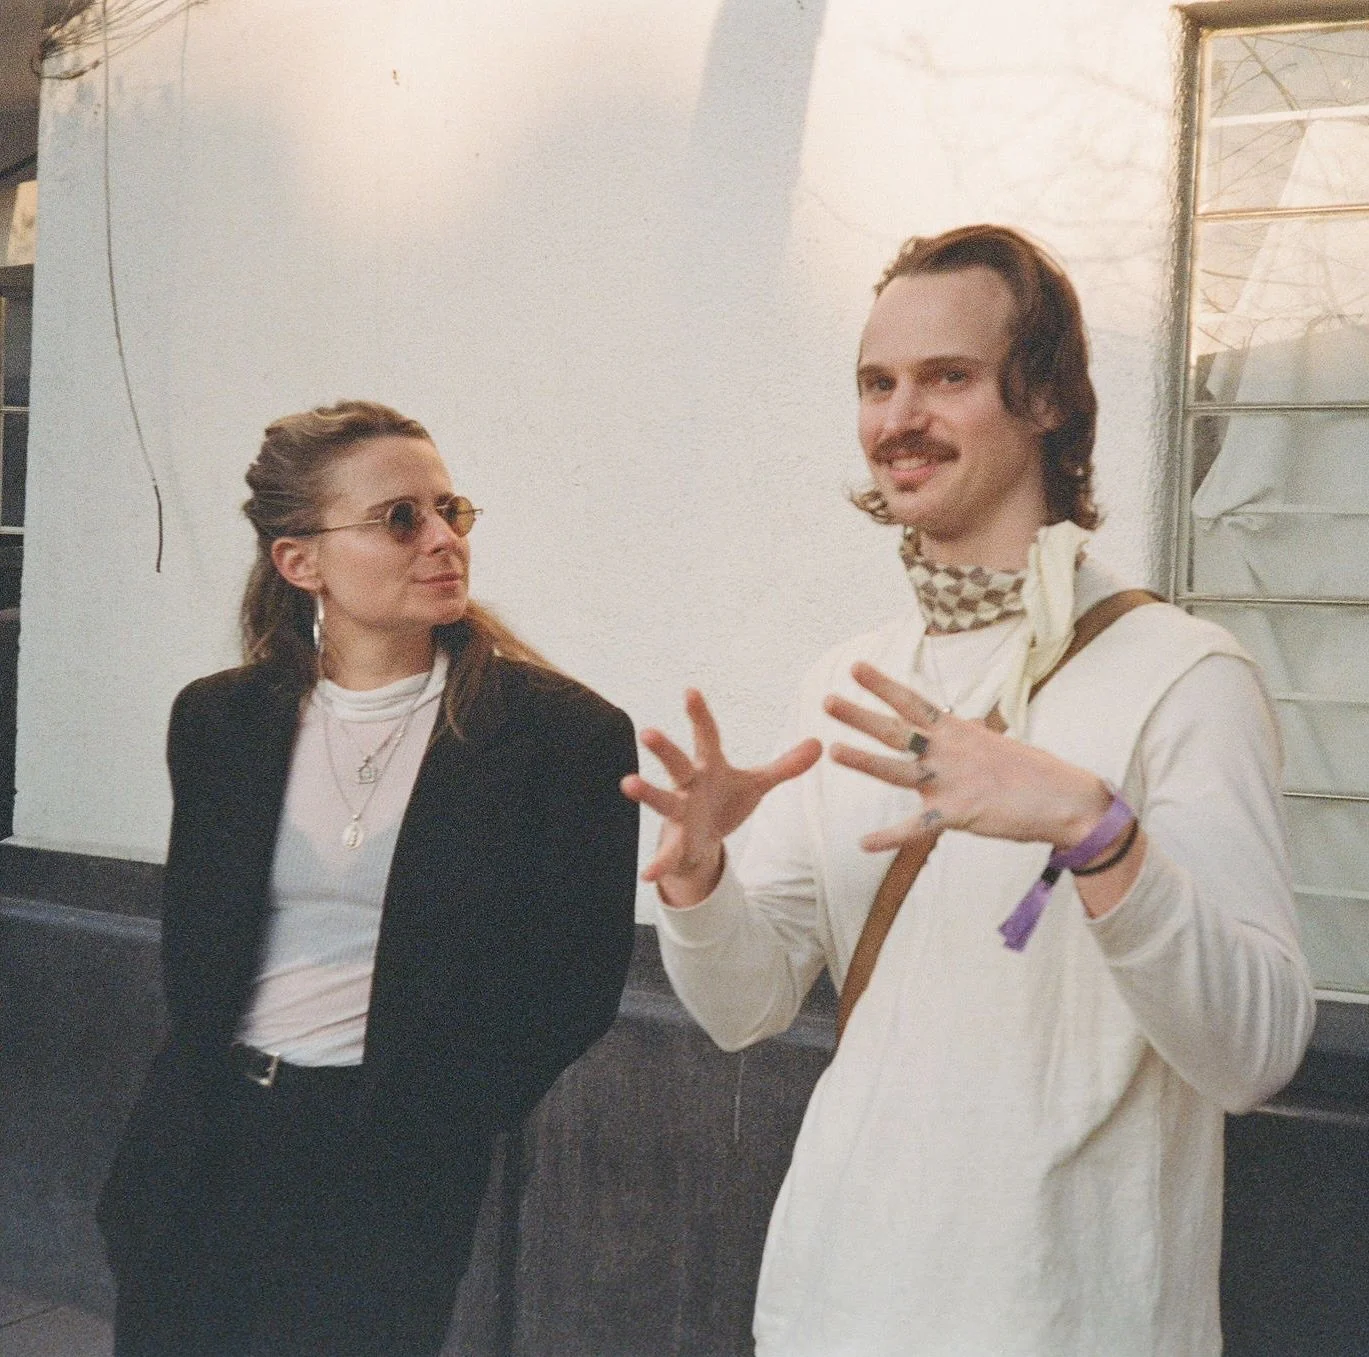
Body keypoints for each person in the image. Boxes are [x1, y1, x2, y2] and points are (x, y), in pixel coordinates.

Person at [623, 226, 1315, 1355]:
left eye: (948, 377)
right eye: (876, 383)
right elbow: (744, 1006)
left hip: (1064, 1314)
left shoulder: (1184, 675)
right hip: (837, 1299)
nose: (900, 417)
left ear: (1044, 398)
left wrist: (1098, 835)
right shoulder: (848, 682)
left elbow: (1252, 1049)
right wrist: (698, 880)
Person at [98, 400, 639, 1356]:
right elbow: (197, 952)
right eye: (399, 518)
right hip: (203, 1144)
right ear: (301, 562)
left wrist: (438, 1119)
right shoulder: (222, 721)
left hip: (382, 1160)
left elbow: (578, 983)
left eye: (450, 510)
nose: (441, 539)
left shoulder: (559, 737)